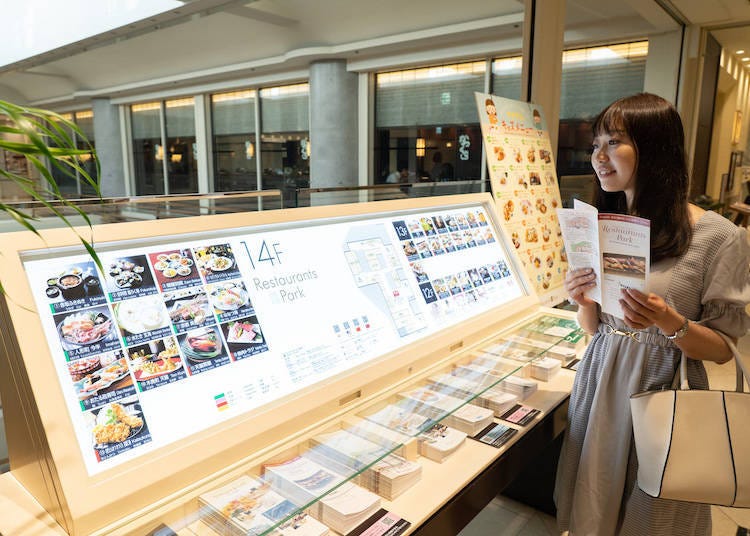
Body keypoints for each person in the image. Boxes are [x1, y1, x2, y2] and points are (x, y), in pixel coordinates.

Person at [554, 93, 750, 536]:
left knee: (656, 515)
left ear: (655, 148)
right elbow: (598, 329)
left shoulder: (718, 236)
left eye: (614, 143)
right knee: (595, 503)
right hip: (602, 380)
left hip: (664, 387)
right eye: (595, 145)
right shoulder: (608, 224)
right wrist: (583, 299)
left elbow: (723, 349)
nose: (599, 158)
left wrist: (668, 321)